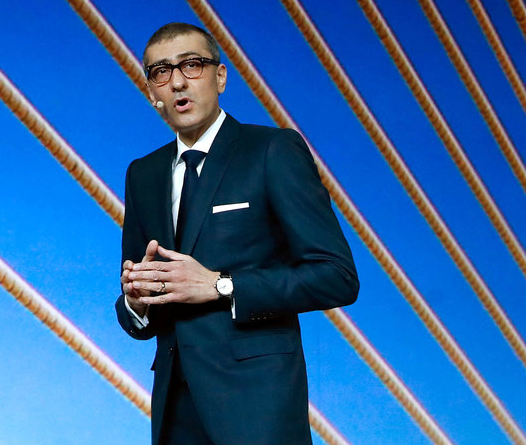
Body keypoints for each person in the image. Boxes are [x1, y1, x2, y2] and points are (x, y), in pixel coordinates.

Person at [116, 22, 358, 445]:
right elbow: (137, 308)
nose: (177, 82)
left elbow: (336, 276)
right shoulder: (143, 174)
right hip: (175, 411)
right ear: (151, 91)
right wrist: (136, 303)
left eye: (192, 65)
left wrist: (220, 285)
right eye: (161, 71)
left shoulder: (272, 150)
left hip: (257, 408)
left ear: (221, 77)